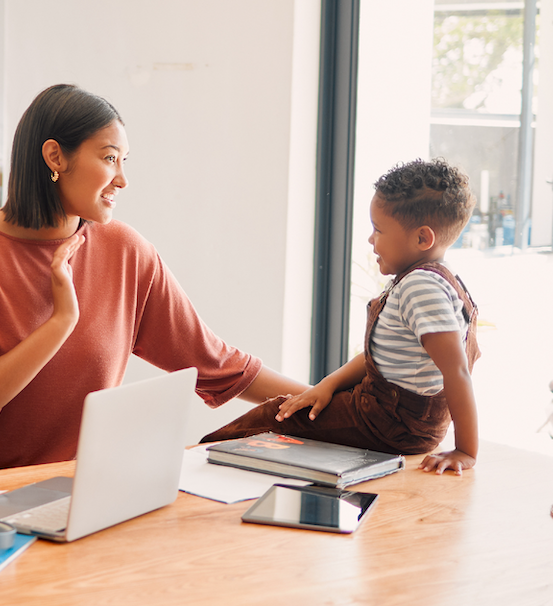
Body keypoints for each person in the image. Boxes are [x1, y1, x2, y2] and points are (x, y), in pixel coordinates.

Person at [0, 83, 308, 474]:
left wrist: (323, 398)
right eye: (110, 158)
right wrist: (61, 322)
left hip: (80, 477)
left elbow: (218, 364)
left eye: (124, 160)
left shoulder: (125, 251)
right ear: (55, 156)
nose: (122, 179)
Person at [201, 158, 480, 476]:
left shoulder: (420, 287)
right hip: (386, 413)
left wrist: (465, 450)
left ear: (422, 239)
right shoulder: (432, 280)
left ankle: (198, 466)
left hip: (389, 423)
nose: (370, 240)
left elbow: (456, 371)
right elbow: (381, 357)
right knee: (300, 405)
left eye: (378, 230)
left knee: (269, 418)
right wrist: (327, 385)